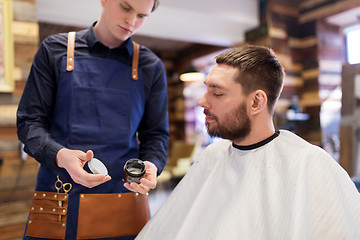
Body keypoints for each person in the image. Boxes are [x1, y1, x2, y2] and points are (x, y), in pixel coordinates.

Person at [136, 46, 360, 240]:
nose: (203, 101)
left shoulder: (308, 164)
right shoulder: (212, 156)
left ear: (256, 102)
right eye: (207, 89)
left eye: (217, 93)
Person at [17, 0, 169, 239]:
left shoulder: (151, 67)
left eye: (142, 16)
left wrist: (152, 164)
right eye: (126, 8)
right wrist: (60, 155)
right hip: (60, 195)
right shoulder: (54, 50)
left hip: (123, 197)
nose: (132, 22)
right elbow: (29, 122)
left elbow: (156, 134)